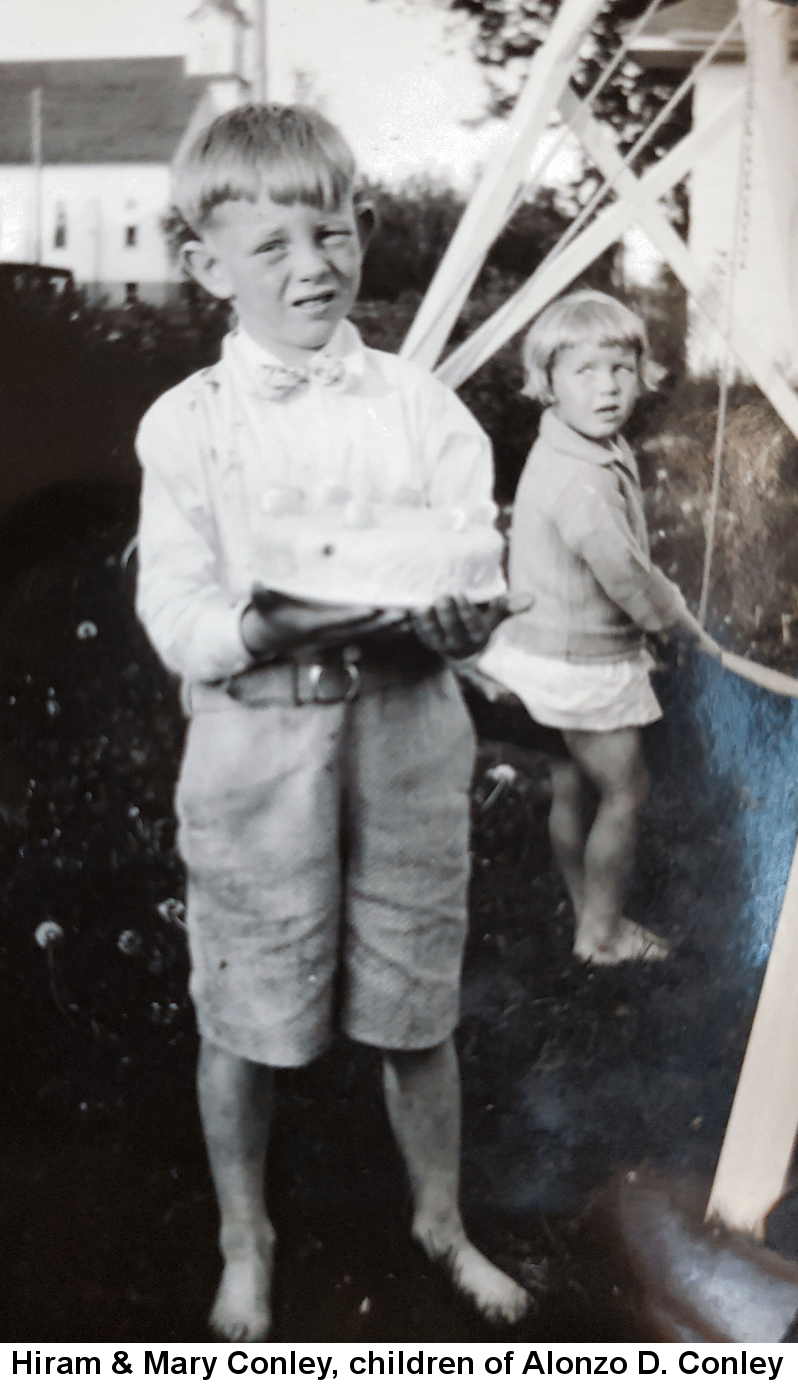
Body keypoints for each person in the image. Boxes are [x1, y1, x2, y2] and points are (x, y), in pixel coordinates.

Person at [134, 102, 530, 1341]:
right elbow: (180, 607)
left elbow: (468, 555)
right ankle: (243, 1232)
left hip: (406, 733)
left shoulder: (420, 406)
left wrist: (469, 620)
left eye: (337, 231)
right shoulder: (188, 423)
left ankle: (439, 1216)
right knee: (246, 1000)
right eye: (274, 247)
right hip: (259, 745)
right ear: (207, 268)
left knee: (415, 990)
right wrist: (256, 632)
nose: (315, 265)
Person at [478, 290, 721, 967]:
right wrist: (674, 625)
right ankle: (604, 934)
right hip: (582, 659)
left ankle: (588, 911)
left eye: (620, 368)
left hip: (546, 647)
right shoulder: (580, 478)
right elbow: (624, 573)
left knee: (572, 780)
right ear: (547, 382)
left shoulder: (579, 445)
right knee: (625, 787)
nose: (608, 387)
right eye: (584, 372)